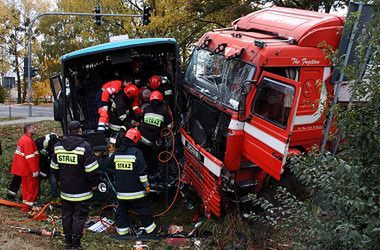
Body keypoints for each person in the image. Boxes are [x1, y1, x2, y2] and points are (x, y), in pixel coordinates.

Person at [50, 121, 100, 249]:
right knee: (79, 216)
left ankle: (68, 242)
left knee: (67, 215)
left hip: (66, 190)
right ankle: (76, 244)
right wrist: (95, 184)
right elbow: (91, 170)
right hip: (82, 191)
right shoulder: (85, 146)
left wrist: (60, 182)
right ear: (80, 130)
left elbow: (54, 169)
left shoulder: (58, 146)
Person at [104, 128, 157, 236]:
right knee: (143, 210)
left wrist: (117, 172)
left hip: (121, 192)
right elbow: (142, 172)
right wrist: (146, 186)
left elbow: (107, 165)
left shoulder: (117, 153)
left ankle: (122, 232)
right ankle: (151, 230)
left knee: (122, 211)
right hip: (136, 191)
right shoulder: (137, 152)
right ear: (135, 140)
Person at [138, 91, 172, 173]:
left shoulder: (145, 109)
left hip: (140, 138)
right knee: (151, 160)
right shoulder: (165, 112)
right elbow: (169, 127)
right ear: (161, 101)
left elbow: (142, 121)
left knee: (140, 157)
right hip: (152, 142)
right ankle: (151, 173)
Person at [10, 123, 40, 212]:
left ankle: (25, 206)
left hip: (24, 169)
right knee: (32, 189)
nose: (35, 129)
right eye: (33, 128)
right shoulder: (28, 141)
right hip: (29, 169)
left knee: (26, 188)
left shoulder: (23, 139)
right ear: (28, 129)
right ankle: (27, 207)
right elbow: (30, 157)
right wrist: (35, 171)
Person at [35, 133, 60, 202]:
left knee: (53, 178)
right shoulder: (40, 142)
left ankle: (55, 197)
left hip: (50, 164)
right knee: (39, 179)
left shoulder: (57, 143)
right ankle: (36, 196)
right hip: (42, 164)